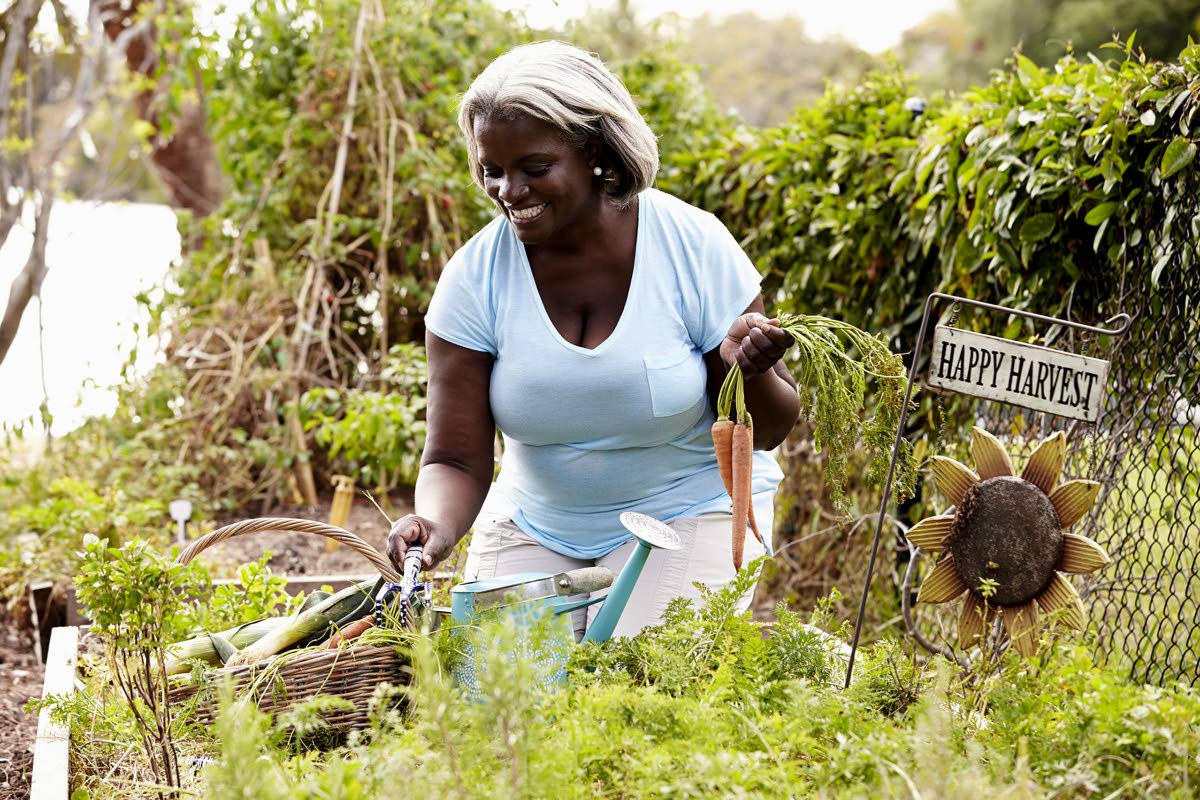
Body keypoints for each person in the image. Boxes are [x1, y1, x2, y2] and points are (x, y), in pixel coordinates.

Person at [386, 41, 800, 639]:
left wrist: (750, 370)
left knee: (632, 685)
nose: (508, 191)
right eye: (491, 170)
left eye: (533, 169)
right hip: (536, 521)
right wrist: (437, 525)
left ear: (596, 150)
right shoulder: (475, 278)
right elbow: (453, 456)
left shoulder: (693, 247)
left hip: (686, 511)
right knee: (502, 695)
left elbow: (773, 429)